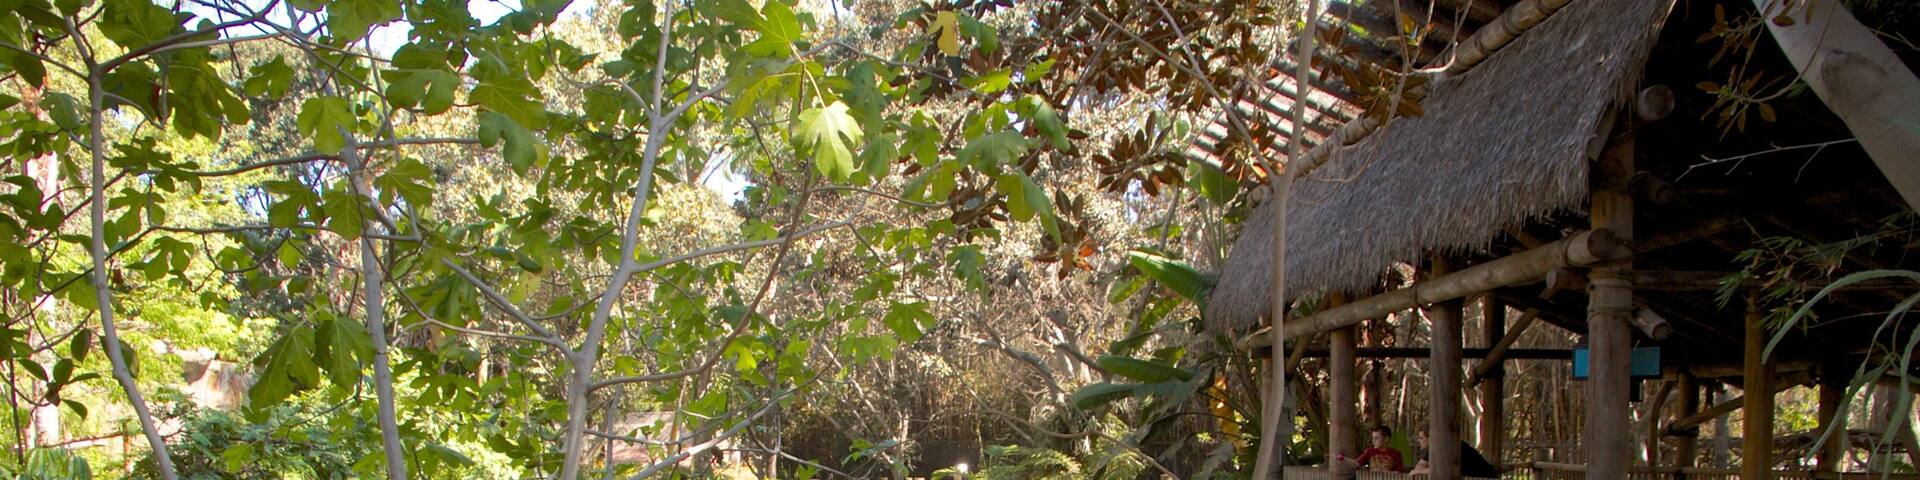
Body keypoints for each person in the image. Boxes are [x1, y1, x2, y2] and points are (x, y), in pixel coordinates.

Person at [1407, 429, 1499, 478]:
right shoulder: (1434, 448)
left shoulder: (1448, 446)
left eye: (1421, 438)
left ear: (1431, 438)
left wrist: (1418, 472)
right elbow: (1419, 466)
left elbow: (1442, 470)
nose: (1419, 441)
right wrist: (1419, 470)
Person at [1331, 425, 1406, 478]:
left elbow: (1399, 473)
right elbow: (1357, 464)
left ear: (1386, 439)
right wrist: (1342, 458)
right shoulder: (1370, 451)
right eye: (1373, 438)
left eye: (1376, 438)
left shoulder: (1396, 454)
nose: (1373, 441)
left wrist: (1384, 472)